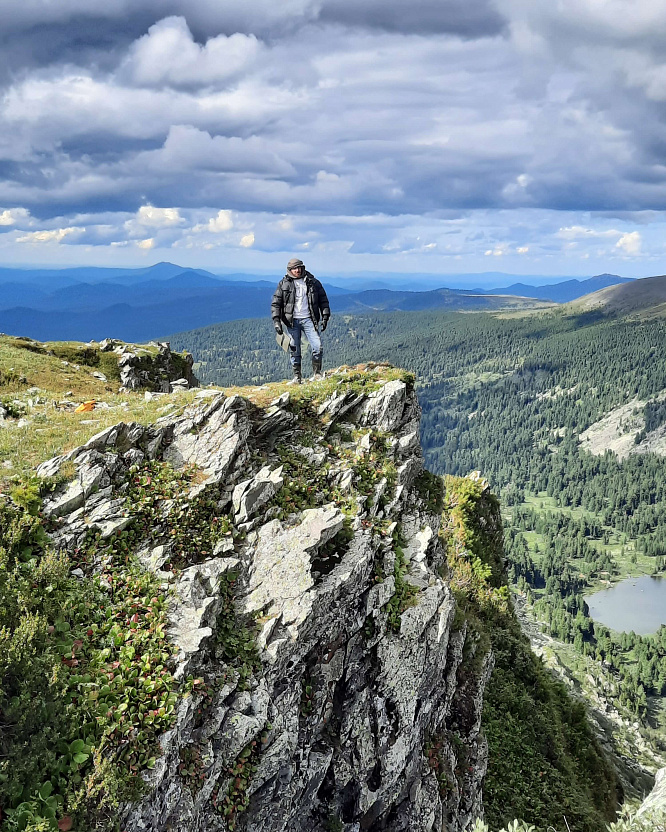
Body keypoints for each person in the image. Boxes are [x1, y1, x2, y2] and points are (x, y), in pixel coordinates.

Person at [271, 258, 331, 384]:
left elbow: (323, 301)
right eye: (294, 268)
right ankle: (297, 377)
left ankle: (317, 374)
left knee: (317, 346)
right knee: (294, 349)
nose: (297, 270)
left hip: (310, 319)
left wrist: (325, 317)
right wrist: (276, 321)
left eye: (299, 268)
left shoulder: (313, 282)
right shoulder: (283, 284)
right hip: (292, 321)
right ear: (290, 270)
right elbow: (276, 304)